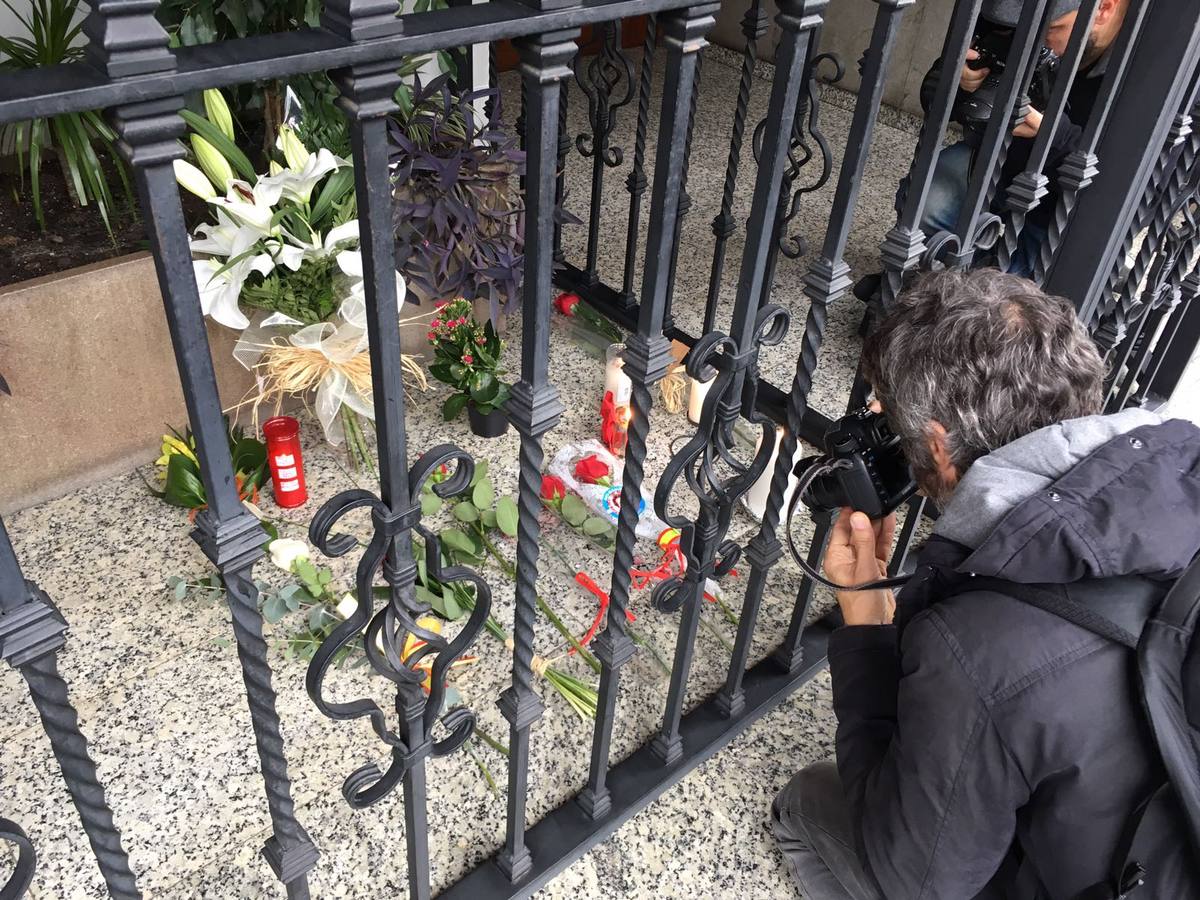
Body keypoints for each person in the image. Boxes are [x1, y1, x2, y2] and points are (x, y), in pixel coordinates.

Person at [771, 269, 1200, 898]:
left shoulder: (976, 647)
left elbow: (915, 880)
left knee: (808, 802)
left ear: (940, 446)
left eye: (891, 421)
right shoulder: (1184, 459)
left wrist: (866, 625)